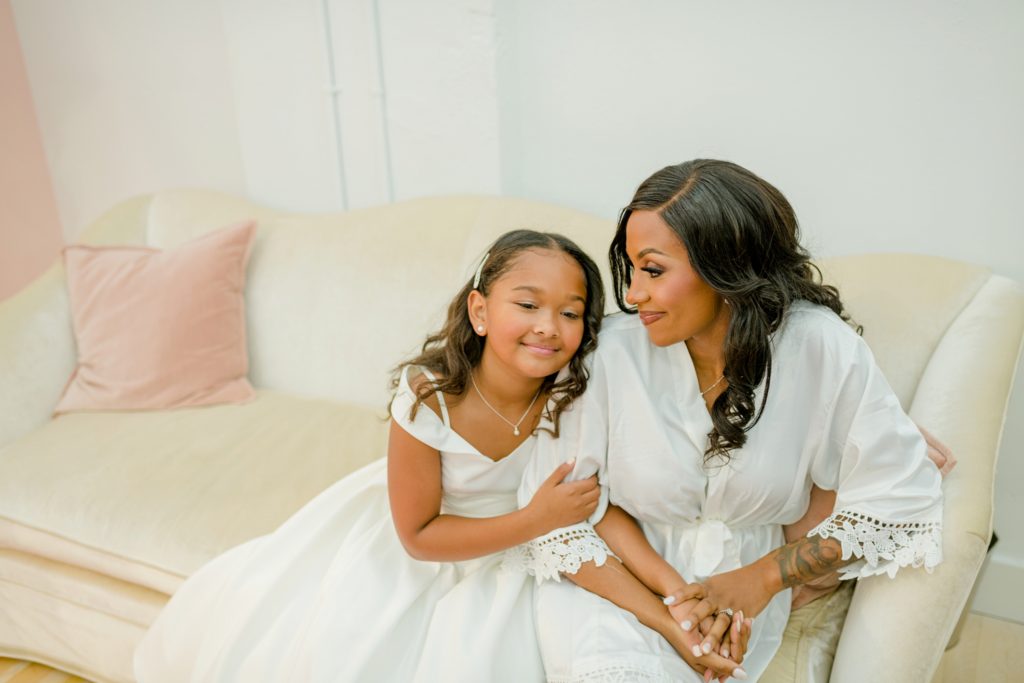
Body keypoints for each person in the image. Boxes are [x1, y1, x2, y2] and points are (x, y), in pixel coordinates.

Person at [516, 160, 946, 682]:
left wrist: (764, 578)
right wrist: (676, 612)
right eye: (633, 269)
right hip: (612, 595)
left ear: (724, 266)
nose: (632, 294)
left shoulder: (819, 348)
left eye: (653, 270)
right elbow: (558, 520)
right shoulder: (609, 355)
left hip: (737, 614)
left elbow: (900, 500)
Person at [134, 229, 609, 682]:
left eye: (570, 313)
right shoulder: (430, 397)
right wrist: (534, 520)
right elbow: (418, 536)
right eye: (527, 305)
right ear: (479, 312)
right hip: (436, 548)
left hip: (536, 548)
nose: (548, 327)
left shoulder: (576, 390)